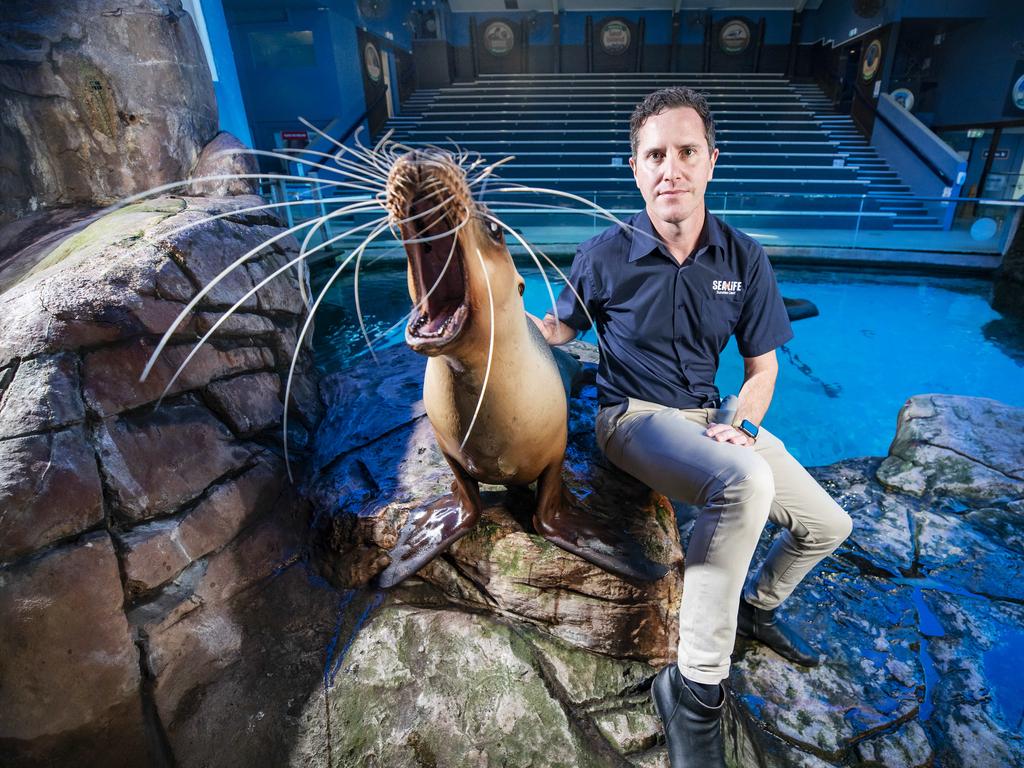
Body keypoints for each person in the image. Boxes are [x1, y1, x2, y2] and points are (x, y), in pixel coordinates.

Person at [530, 87, 853, 767]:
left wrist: (743, 419)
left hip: (711, 419)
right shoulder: (602, 253)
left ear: (711, 161)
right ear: (635, 168)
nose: (669, 167)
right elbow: (561, 328)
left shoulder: (744, 258)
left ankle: (756, 607)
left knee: (829, 526)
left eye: (685, 151)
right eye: (655, 154)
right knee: (743, 484)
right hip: (633, 418)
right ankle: (694, 689)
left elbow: (762, 368)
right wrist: (512, 317)